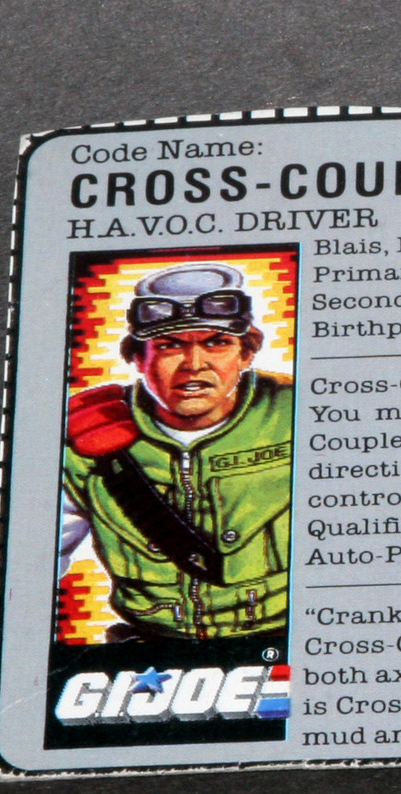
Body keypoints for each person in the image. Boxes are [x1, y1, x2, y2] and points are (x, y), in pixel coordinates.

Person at [60, 262, 294, 641]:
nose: (194, 365)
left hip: (280, 639)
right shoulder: (88, 432)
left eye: (217, 343)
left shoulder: (295, 413)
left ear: (246, 355)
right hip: (153, 648)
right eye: (169, 346)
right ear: (138, 359)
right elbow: (35, 563)